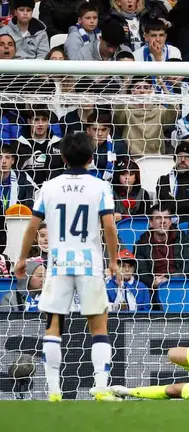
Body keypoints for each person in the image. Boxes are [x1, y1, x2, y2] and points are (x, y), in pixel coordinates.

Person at [14, 132, 121, 402]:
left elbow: (32, 225)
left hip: (59, 263)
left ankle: (53, 389)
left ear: (62, 157)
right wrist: (113, 261)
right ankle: (99, 385)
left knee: (54, 325)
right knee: (98, 326)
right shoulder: (100, 187)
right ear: (91, 158)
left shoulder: (49, 186)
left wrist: (22, 259)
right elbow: (109, 225)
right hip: (89, 263)